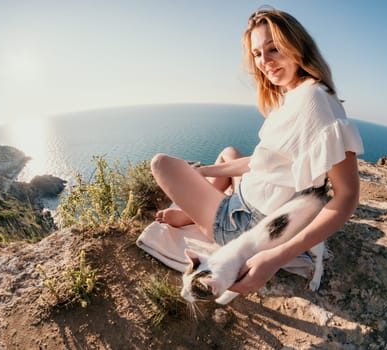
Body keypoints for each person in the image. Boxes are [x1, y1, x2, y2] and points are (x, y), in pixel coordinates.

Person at [150, 7, 364, 295]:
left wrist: (277, 257)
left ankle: (201, 220)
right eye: (257, 54)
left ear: (297, 45)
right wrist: (200, 172)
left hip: (243, 225)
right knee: (228, 152)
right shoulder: (299, 93)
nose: (265, 62)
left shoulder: (313, 102)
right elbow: (263, 163)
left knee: (161, 163)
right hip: (251, 199)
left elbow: (347, 196)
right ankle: (196, 212)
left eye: (274, 49)